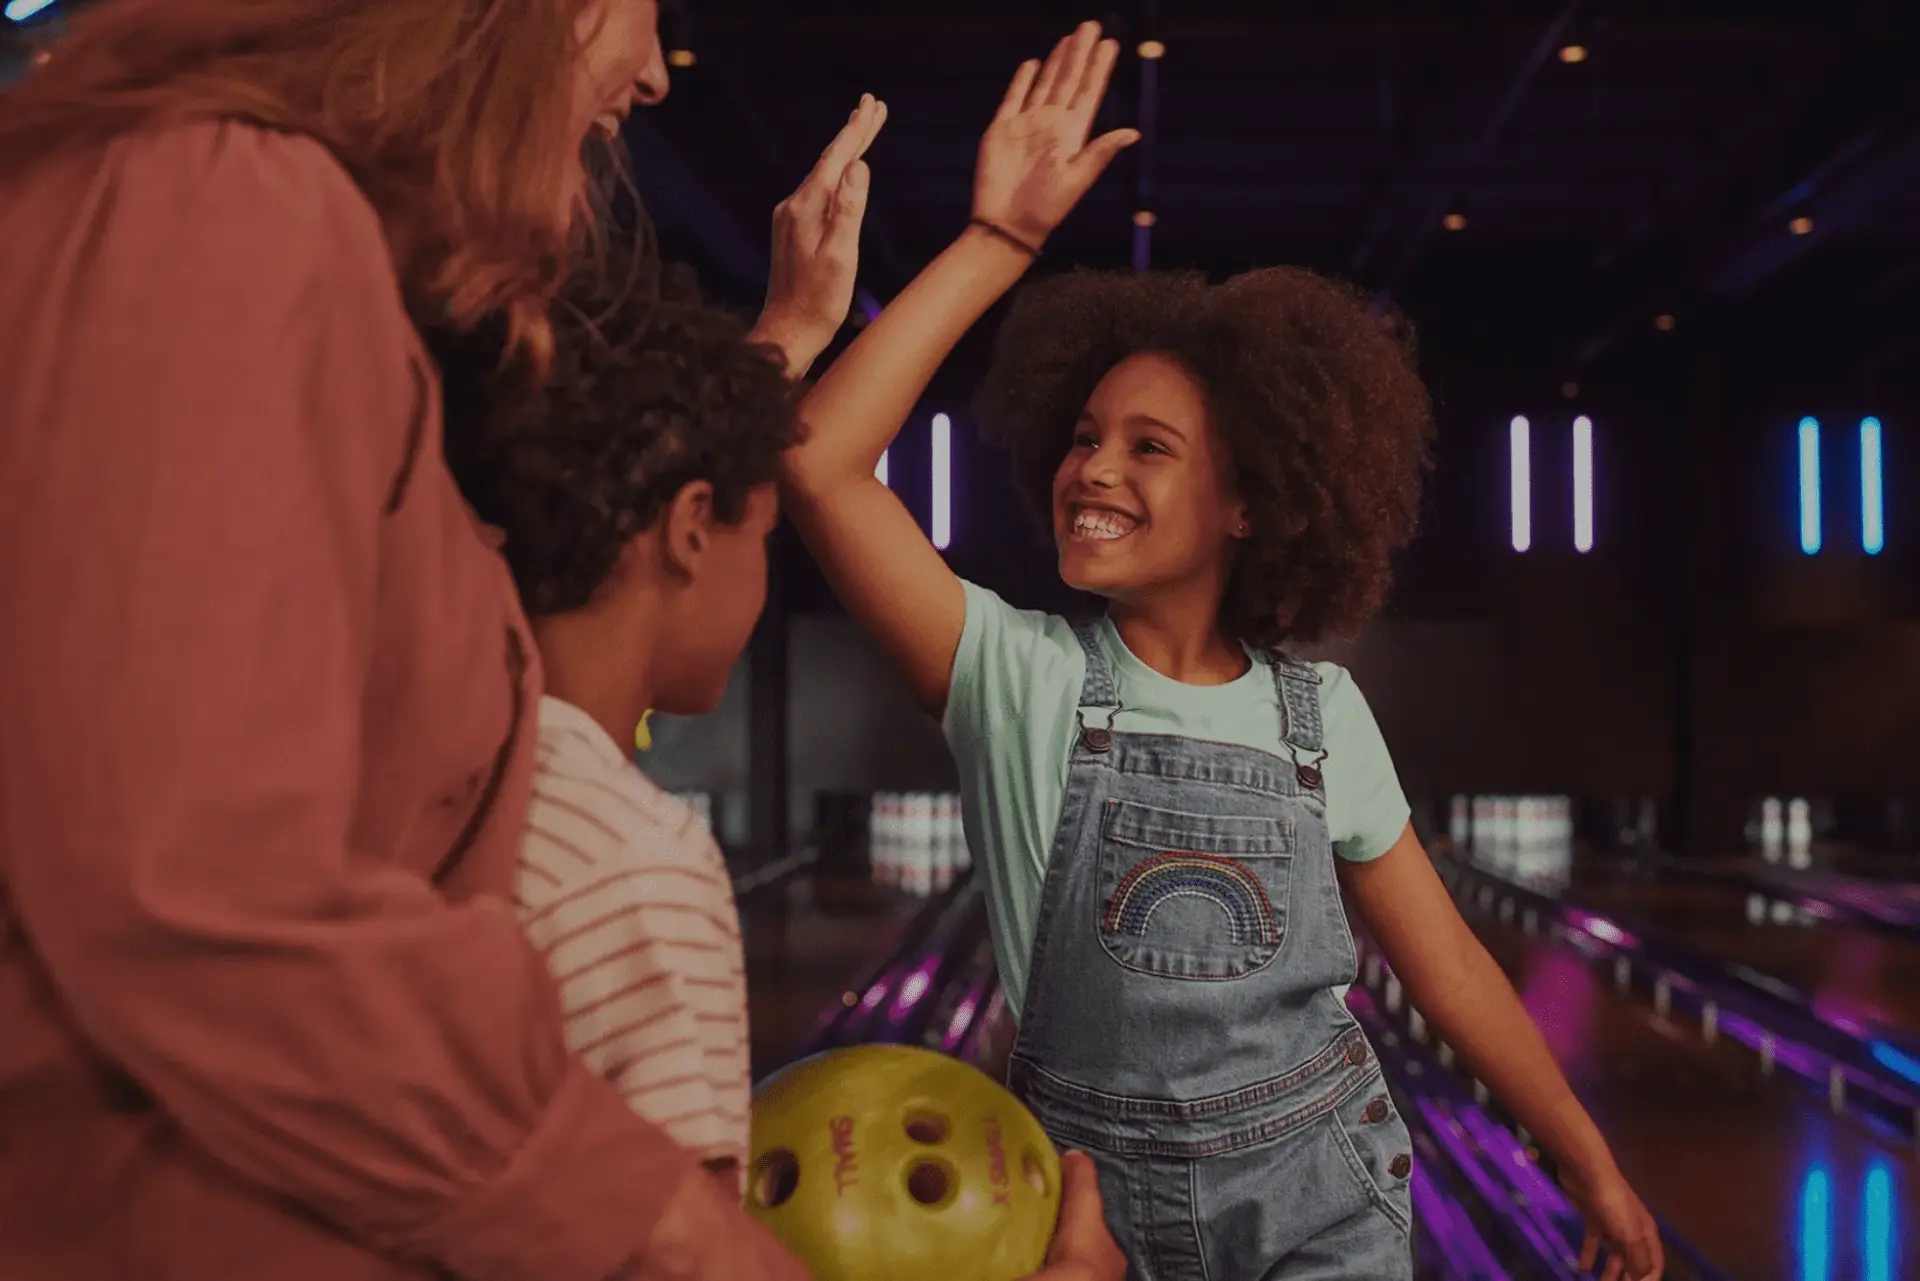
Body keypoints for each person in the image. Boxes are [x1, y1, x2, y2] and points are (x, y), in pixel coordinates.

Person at [776, 19, 1668, 1281]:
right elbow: (819, 462)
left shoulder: (1323, 715)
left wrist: (1588, 1159)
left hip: (1322, 1180)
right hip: (1081, 1198)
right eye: (1085, 436)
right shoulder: (1013, 674)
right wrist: (1000, 243)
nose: (1093, 468)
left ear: (1251, 501)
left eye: (1150, 448)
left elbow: (1451, 968)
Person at [0, 1, 837, 1278]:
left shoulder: (288, 250)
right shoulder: (231, 211)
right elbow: (205, 888)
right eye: (638, 10)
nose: (658, 73)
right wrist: (681, 1240)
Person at [447, 96, 1126, 1279]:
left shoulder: (449, 748)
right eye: (763, 537)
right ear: (692, 529)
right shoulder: (638, 875)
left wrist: (789, 330)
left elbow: (628, 478)